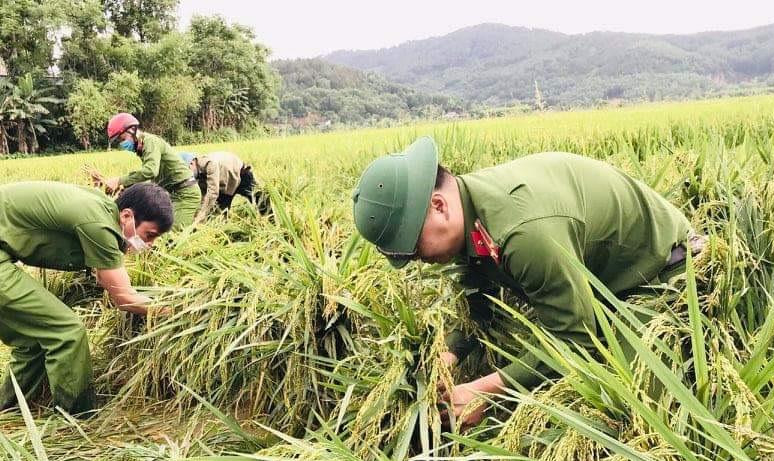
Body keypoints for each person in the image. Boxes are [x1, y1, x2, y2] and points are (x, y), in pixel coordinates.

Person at [351, 136, 699, 426]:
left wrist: (485, 391)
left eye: (414, 248)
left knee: (620, 408)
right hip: (601, 281)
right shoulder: (470, 205)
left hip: (665, 271)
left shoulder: (523, 232)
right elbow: (478, 300)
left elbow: (577, 340)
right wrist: (449, 355)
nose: (417, 260)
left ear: (439, 206)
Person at [0, 181, 174, 416]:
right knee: (67, 331)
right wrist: (178, 309)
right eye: (149, 235)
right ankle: (77, 417)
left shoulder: (99, 207)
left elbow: (104, 277)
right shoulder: (99, 225)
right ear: (126, 216)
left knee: (31, 341)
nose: (150, 244)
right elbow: (124, 297)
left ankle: (8, 412)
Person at [86, 113, 200, 230]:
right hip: (173, 193)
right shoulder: (142, 149)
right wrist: (119, 189)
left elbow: (150, 171)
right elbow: (149, 179)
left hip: (186, 193)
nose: (121, 144)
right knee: (154, 227)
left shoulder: (150, 142)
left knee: (169, 236)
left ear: (132, 130)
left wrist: (119, 180)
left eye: (122, 139)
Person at [181, 151, 271, 223]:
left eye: (186, 170)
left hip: (241, 175)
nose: (187, 175)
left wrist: (201, 216)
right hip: (225, 187)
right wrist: (197, 215)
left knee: (261, 203)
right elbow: (204, 196)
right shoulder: (198, 174)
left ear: (192, 163)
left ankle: (275, 226)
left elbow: (212, 193)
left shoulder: (210, 164)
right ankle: (224, 237)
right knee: (219, 215)